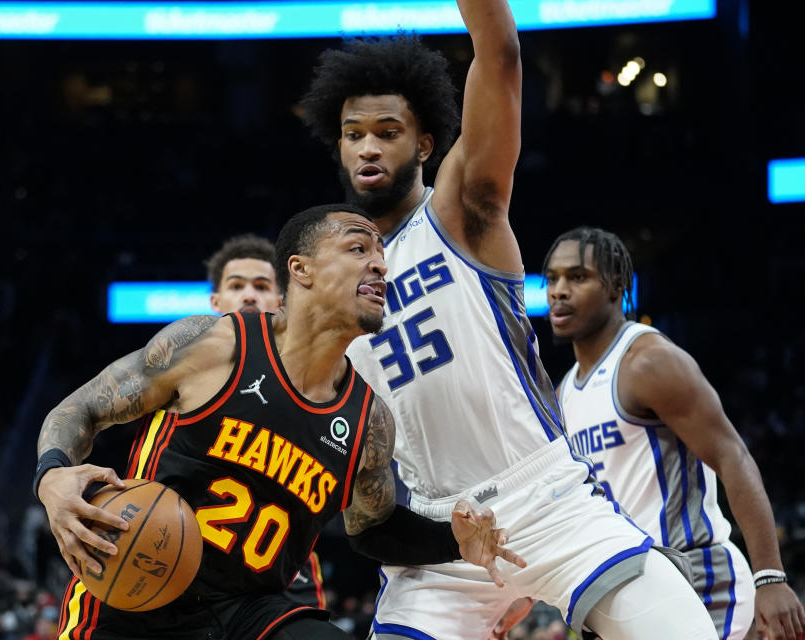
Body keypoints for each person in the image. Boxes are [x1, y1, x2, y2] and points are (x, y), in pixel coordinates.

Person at [300, 2, 718, 639]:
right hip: (440, 532)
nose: (368, 146)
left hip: (545, 497)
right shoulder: (331, 287)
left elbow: (501, 56)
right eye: (354, 132)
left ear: (426, 143)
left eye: (388, 130)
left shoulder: (460, 210)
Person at [35, 204, 525, 640]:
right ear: (301, 269)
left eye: (381, 253)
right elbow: (84, 409)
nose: (379, 263)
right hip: (133, 592)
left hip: (250, 612)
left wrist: (450, 541)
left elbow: (370, 527)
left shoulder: (369, 419)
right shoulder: (213, 346)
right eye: (358, 248)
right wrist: (52, 476)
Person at [544, 226, 805, 640]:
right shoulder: (562, 394)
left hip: (694, 577)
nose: (559, 290)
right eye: (553, 277)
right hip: (625, 588)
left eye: (578, 277)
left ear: (615, 288)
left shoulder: (649, 362)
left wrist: (769, 577)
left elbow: (732, 456)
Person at [205, 232, 327, 609]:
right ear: (216, 301)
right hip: (191, 557)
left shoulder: (317, 380)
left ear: (280, 300)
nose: (248, 295)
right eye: (236, 285)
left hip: (281, 568)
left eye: (261, 286)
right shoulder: (180, 363)